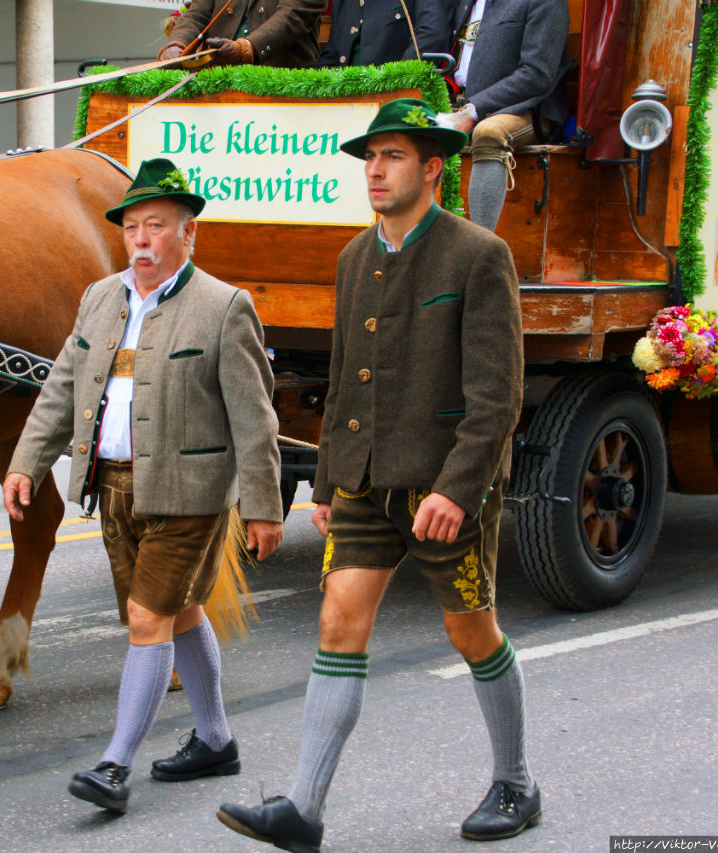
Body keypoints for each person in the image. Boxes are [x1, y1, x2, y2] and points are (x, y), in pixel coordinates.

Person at [217, 98, 533, 851]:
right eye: (370, 157)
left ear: (431, 167)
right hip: (362, 481)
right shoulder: (355, 256)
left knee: (471, 629)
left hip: (442, 486)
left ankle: (516, 779)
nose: (376, 170)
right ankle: (303, 808)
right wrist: (326, 483)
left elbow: (498, 395)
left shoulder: (478, 254)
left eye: (392, 156)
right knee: (338, 620)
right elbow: (345, 378)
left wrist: (459, 490)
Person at [3, 158, 284, 815]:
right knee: (180, 612)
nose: (141, 240)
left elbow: (255, 417)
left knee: (146, 617)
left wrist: (266, 507)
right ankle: (215, 738)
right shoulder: (101, 299)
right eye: (132, 227)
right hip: (116, 490)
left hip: (190, 494)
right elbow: (63, 389)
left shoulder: (224, 307)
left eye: (156, 226)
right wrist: (26, 463)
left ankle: (113, 764)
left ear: (190, 234)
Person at [442, 0, 571, 231]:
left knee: (489, 132)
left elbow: (537, 75)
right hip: (459, 103)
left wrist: (474, 110)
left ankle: (482, 245)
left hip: (524, 108)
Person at [157, 0, 325, 68]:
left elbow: (294, 14)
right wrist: (176, 44)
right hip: (218, 87)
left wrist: (246, 49)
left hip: (285, 87)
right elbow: (197, 14)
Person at [316, 0, 449, 69]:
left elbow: (432, 37)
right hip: (345, 105)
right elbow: (332, 54)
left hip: (395, 105)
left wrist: (395, 83)